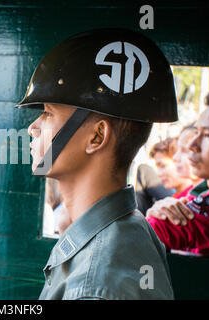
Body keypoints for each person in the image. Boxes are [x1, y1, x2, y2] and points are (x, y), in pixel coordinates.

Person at [17, 29, 176, 299]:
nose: (33, 127)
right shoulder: (129, 228)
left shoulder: (94, 286)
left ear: (97, 136)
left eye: (47, 113)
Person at [146, 89, 209, 258]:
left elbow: (145, 233)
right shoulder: (195, 194)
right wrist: (156, 210)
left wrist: (154, 216)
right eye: (197, 133)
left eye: (208, 135)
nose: (193, 145)